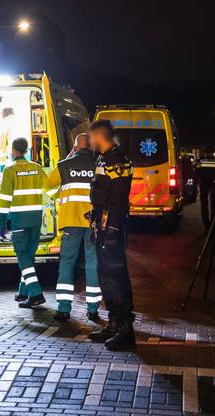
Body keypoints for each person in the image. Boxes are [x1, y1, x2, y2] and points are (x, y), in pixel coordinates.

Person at [87, 120, 135, 351]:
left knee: (116, 278)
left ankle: (126, 331)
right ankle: (113, 324)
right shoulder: (103, 158)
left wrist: (113, 231)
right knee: (105, 277)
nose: (89, 140)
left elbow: (118, 199)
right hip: (101, 225)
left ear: (99, 136)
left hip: (111, 227)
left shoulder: (116, 160)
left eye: (91, 136)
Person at [45, 133, 101, 322]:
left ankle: (64, 308)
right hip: (92, 221)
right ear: (91, 147)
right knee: (93, 263)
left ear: (75, 147)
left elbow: (49, 187)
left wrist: (59, 195)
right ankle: (93, 309)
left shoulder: (64, 165)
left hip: (70, 220)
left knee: (67, 262)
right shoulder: (98, 166)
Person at [0, 137, 48, 308]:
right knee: (29, 255)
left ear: (14, 150)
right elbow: (50, 190)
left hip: (19, 220)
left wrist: (1, 222)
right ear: (26, 150)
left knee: (22, 256)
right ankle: (23, 292)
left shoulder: (10, 169)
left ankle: (35, 293)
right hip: (35, 219)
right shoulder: (37, 167)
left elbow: (4, 198)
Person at [195, 148, 215, 231]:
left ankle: (206, 226)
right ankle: (213, 224)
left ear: (205, 153)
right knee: (214, 204)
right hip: (214, 184)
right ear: (212, 153)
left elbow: (196, 171)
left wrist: (199, 179)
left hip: (204, 183)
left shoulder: (201, 161)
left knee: (204, 204)